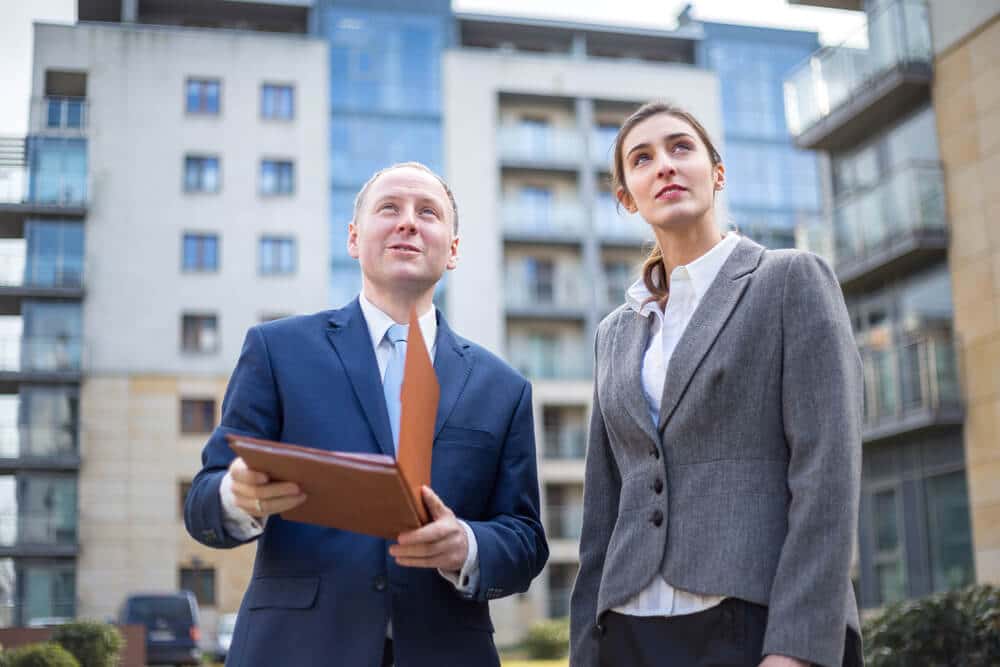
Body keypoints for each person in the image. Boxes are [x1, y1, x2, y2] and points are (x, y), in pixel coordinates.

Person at [184, 162, 548, 667]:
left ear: (454, 250)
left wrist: (467, 545)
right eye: (389, 209)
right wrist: (234, 495)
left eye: (428, 212)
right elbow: (202, 501)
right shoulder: (277, 350)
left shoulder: (504, 387)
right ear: (354, 239)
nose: (408, 222)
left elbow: (526, 539)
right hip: (294, 649)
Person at [569, 102, 863, 667]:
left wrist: (796, 647)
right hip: (628, 633)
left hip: (750, 622)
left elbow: (828, 472)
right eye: (643, 159)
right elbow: (600, 515)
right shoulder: (614, 333)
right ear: (627, 196)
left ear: (717, 172)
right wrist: (586, 651)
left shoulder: (788, 280)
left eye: (682, 148)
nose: (665, 166)